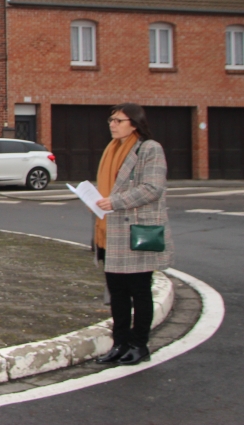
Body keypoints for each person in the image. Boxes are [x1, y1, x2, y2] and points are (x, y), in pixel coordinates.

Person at [93, 103, 173, 366]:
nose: (112, 124)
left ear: (135, 124)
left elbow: (152, 188)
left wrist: (114, 201)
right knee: (117, 293)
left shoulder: (149, 148)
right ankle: (120, 344)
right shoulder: (111, 149)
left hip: (135, 232)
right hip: (110, 230)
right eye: (111, 120)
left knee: (139, 291)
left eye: (119, 120)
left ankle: (139, 345)